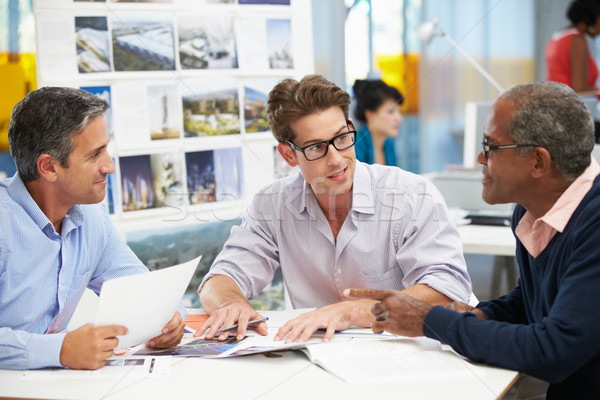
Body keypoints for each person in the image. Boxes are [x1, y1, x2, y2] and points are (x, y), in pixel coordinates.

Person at [346, 81, 600, 399]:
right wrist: (483, 315)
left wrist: (430, 320)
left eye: (491, 146)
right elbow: (533, 300)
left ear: (538, 162)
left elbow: (553, 351)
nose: (480, 157)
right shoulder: (531, 209)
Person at [196, 74, 471, 344]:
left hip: (410, 357)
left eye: (341, 138)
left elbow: (448, 289)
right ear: (288, 155)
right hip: (319, 360)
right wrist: (230, 303)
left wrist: (353, 311)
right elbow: (220, 279)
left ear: (351, 127)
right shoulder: (272, 204)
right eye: (316, 147)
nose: (336, 159)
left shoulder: (410, 195)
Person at [0, 87, 186, 370]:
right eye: (95, 155)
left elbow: (144, 290)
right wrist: (59, 351)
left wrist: (168, 320)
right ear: (49, 167)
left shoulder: (90, 218)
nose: (109, 166)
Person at [546, 0, 600, 142]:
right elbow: (580, 88)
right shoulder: (577, 40)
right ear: (591, 18)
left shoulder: (557, 36)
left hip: (554, 111)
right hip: (571, 116)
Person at [352, 79, 403, 166]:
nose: (399, 118)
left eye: (399, 111)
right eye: (391, 111)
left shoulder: (389, 144)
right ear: (370, 115)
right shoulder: (355, 146)